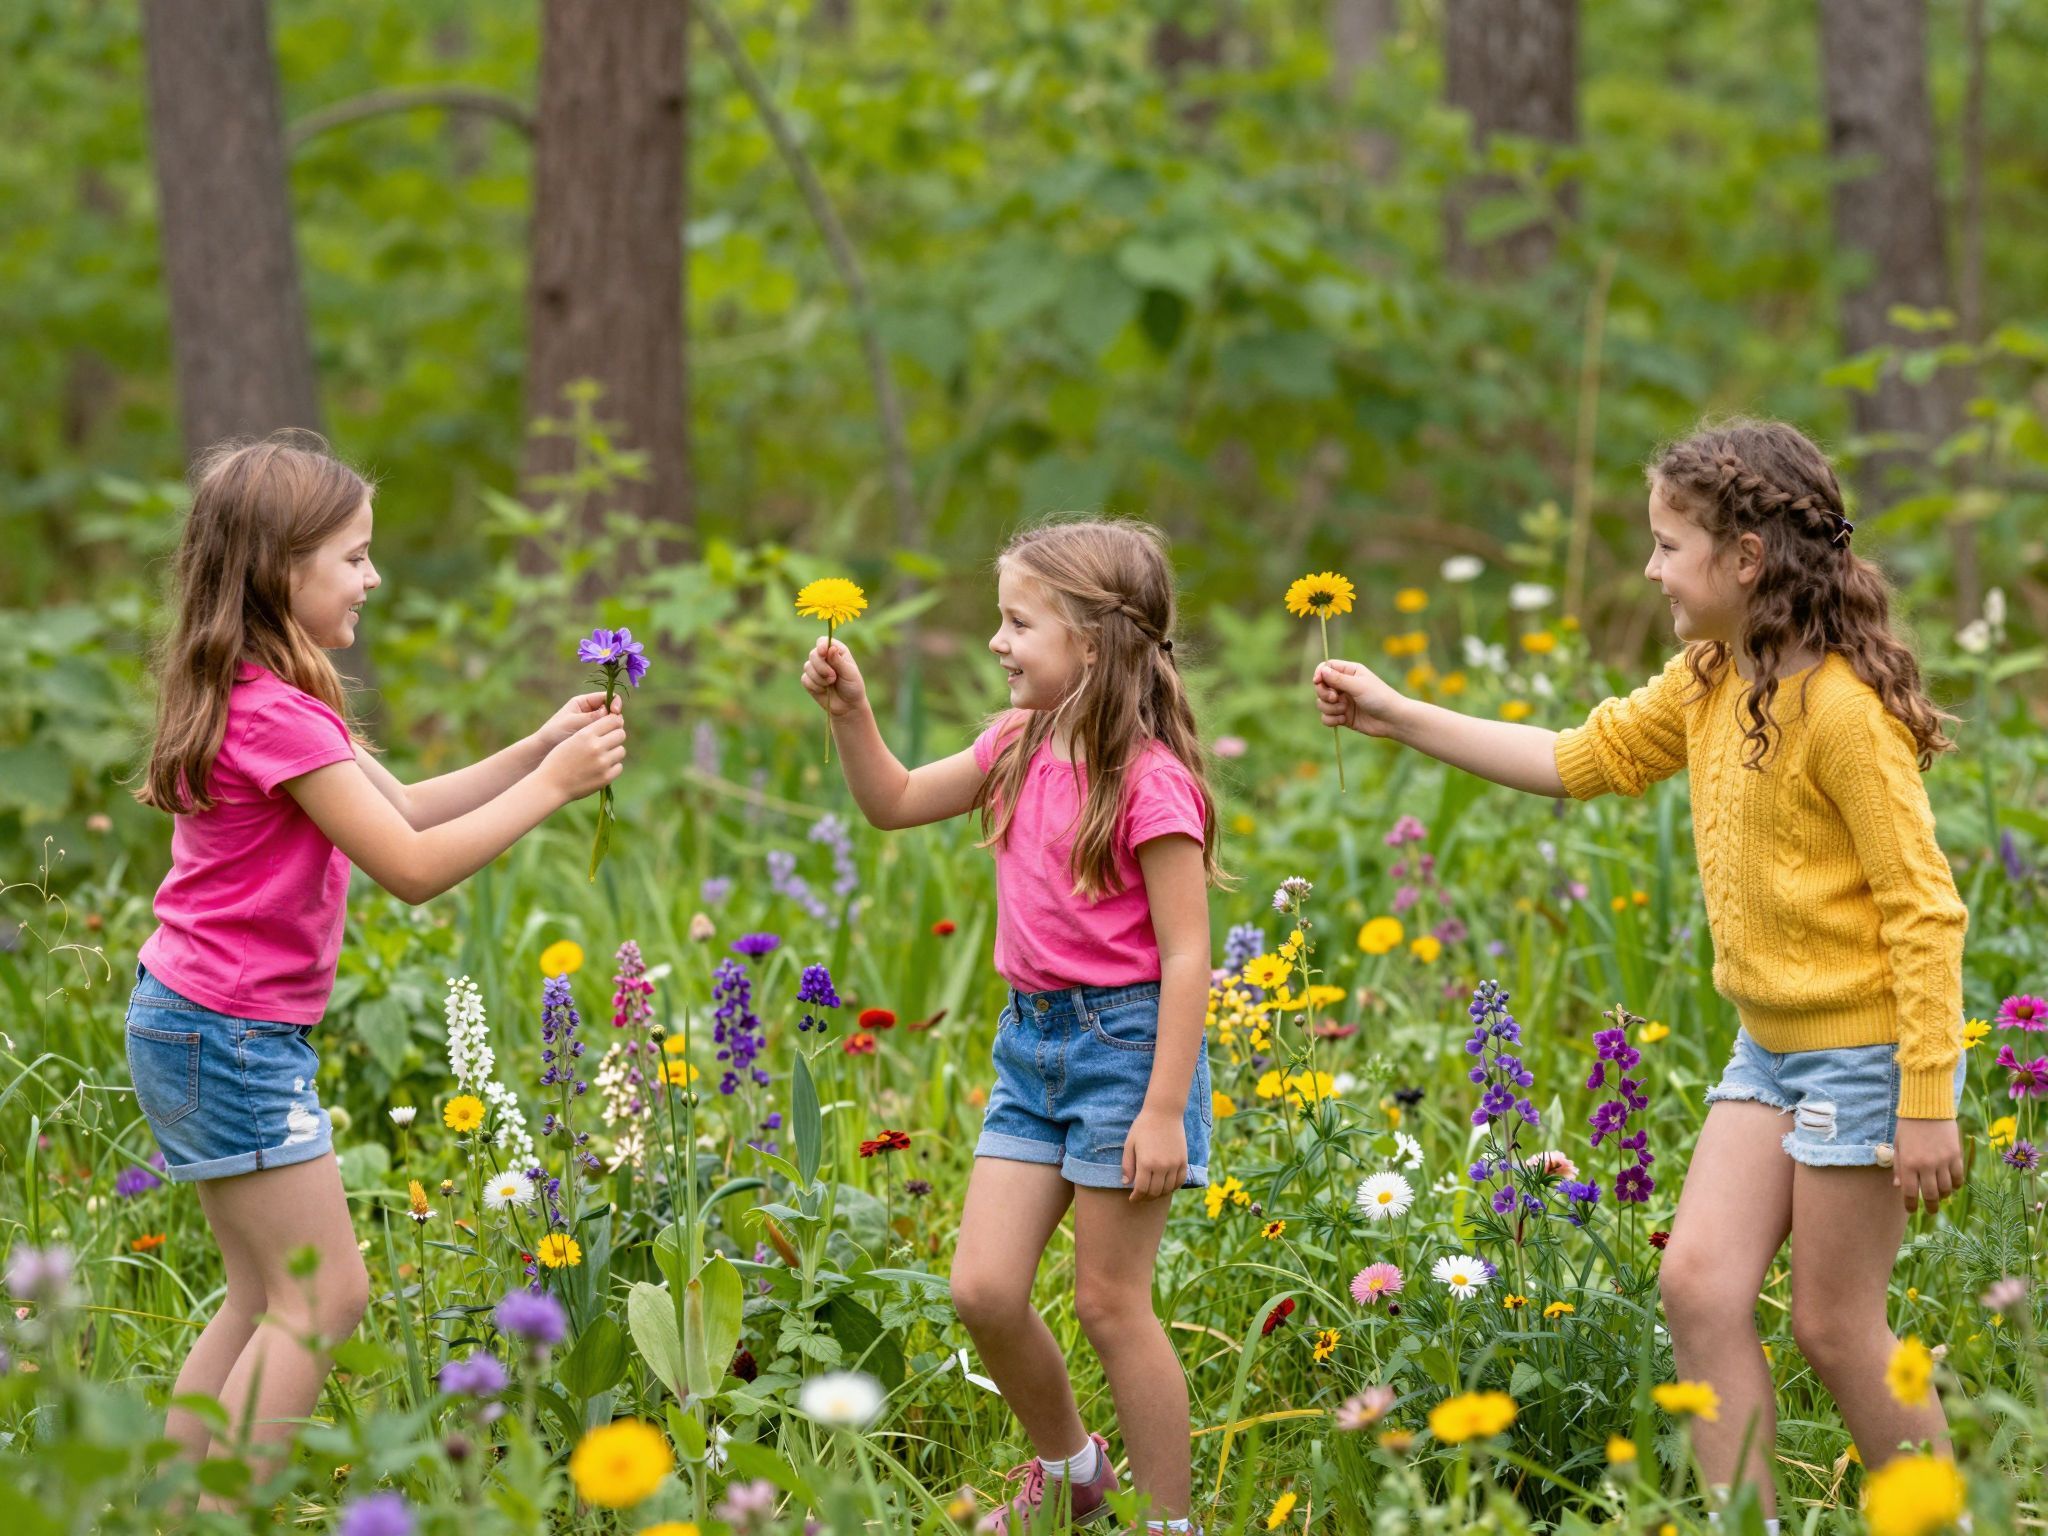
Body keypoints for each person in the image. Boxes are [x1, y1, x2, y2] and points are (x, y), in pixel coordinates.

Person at [1313, 419, 1967, 1526]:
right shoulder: (1711, 676)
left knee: (1834, 1326)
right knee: (1696, 1286)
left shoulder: (1845, 717)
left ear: (1745, 559)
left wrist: (1927, 1099)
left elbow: (1925, 911)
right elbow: (1579, 759)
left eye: (1668, 546)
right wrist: (1397, 715)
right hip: (1770, 1049)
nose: (1651, 568)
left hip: (1863, 1056)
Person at [129, 431, 626, 1498]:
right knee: (323, 1299)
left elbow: (403, 806)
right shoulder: (279, 716)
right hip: (232, 1034)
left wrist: (538, 749)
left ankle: (169, 1510)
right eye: (353, 557)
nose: (374, 577)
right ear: (281, 570)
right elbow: (409, 865)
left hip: (189, 1019)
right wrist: (554, 791)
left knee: (261, 1298)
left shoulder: (260, 695)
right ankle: (224, 1514)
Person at [801, 519, 1225, 1533]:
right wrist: (852, 714)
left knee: (1109, 1304)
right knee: (984, 1291)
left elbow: (1186, 957)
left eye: (1018, 623)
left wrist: (1162, 1109)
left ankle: (1170, 1523)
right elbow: (894, 801)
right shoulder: (1012, 745)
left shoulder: (1151, 783)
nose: (997, 641)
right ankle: (1075, 1473)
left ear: (1093, 643)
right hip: (1029, 1048)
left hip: (1126, 1053)